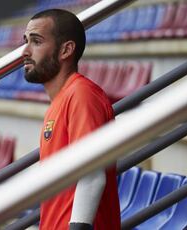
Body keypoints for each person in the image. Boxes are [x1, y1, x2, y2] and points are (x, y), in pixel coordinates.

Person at [22, 9, 121, 230]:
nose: (25, 51)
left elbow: (92, 175)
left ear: (66, 50)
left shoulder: (82, 95)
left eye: (36, 42)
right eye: (26, 41)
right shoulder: (60, 101)